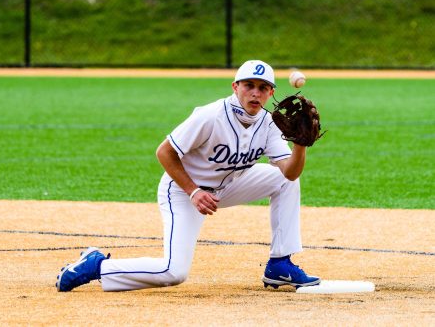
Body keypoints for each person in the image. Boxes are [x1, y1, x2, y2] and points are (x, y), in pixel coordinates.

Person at [56, 60, 320, 292]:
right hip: (182, 191)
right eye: (248, 84)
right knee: (173, 272)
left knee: (284, 181)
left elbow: (290, 172)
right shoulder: (211, 115)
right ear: (235, 87)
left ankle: (279, 264)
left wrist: (300, 145)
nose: (255, 92)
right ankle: (98, 265)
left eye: (262, 87)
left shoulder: (268, 122)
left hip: (227, 186)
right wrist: (193, 191)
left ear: (271, 93)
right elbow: (164, 152)